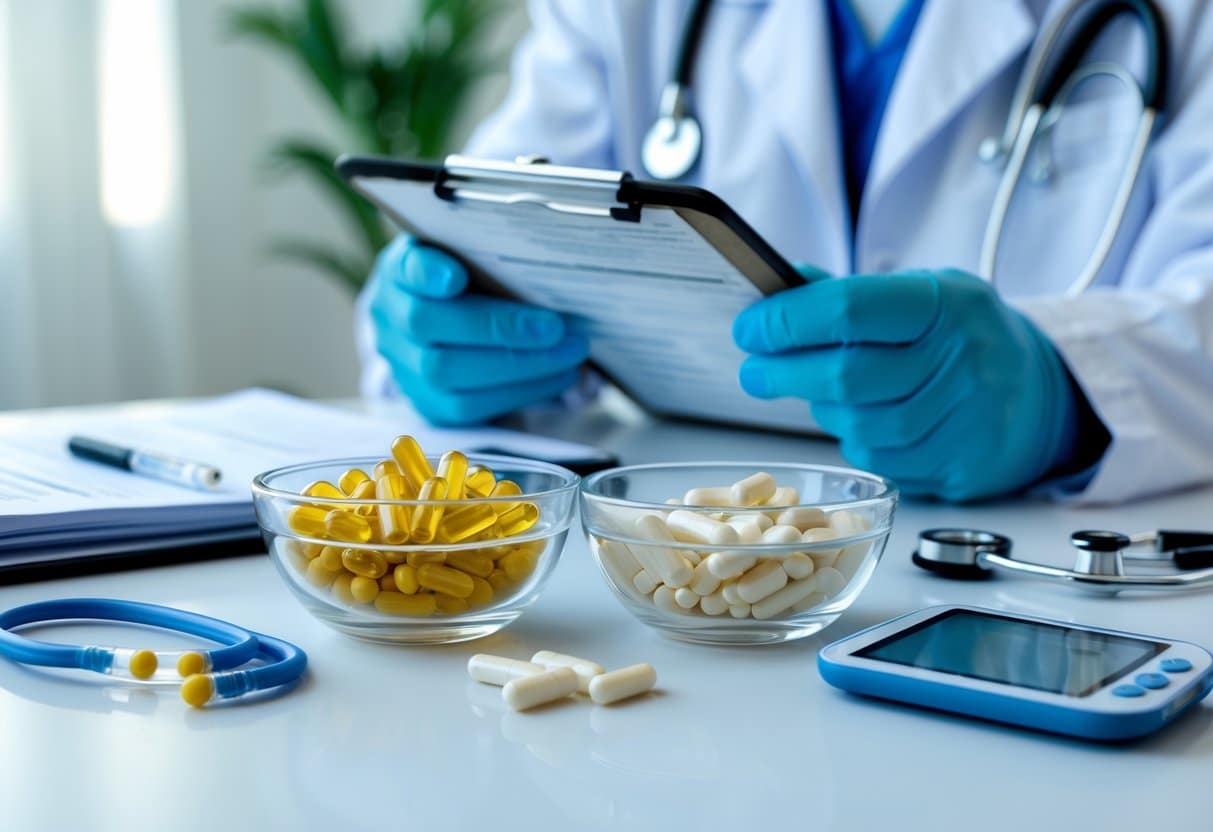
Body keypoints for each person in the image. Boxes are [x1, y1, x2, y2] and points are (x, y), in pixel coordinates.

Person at [358, 0, 1213, 504]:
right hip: (690, 555)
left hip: (1048, 587)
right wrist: (442, 322)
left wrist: (1063, 384)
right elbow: (492, 213)